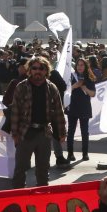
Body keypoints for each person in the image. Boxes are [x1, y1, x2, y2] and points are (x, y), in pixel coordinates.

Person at [9, 56, 67, 188]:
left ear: (46, 71)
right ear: (29, 70)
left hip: (44, 133)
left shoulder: (52, 88)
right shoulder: (21, 87)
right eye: (34, 68)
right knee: (20, 169)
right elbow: (15, 112)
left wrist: (62, 133)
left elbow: (59, 111)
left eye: (41, 68)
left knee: (43, 170)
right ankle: (17, 198)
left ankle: (42, 199)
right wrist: (15, 134)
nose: (37, 71)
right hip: (25, 132)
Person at [67, 58, 96, 162]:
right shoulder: (71, 76)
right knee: (71, 131)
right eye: (78, 65)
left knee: (85, 132)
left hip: (84, 107)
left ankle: (85, 154)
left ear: (85, 67)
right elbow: (65, 91)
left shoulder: (89, 78)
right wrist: (74, 86)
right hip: (73, 106)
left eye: (82, 65)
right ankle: (70, 154)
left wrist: (85, 88)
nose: (80, 67)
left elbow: (93, 94)